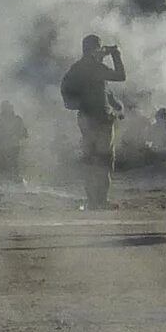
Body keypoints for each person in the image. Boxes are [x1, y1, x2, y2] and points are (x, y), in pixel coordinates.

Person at [57, 35, 125, 210]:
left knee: (91, 159)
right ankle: (100, 201)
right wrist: (116, 55)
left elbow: (101, 88)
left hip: (86, 118)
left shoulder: (78, 68)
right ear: (94, 50)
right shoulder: (94, 67)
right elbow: (120, 75)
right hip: (100, 120)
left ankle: (92, 200)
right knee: (103, 160)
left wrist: (113, 102)